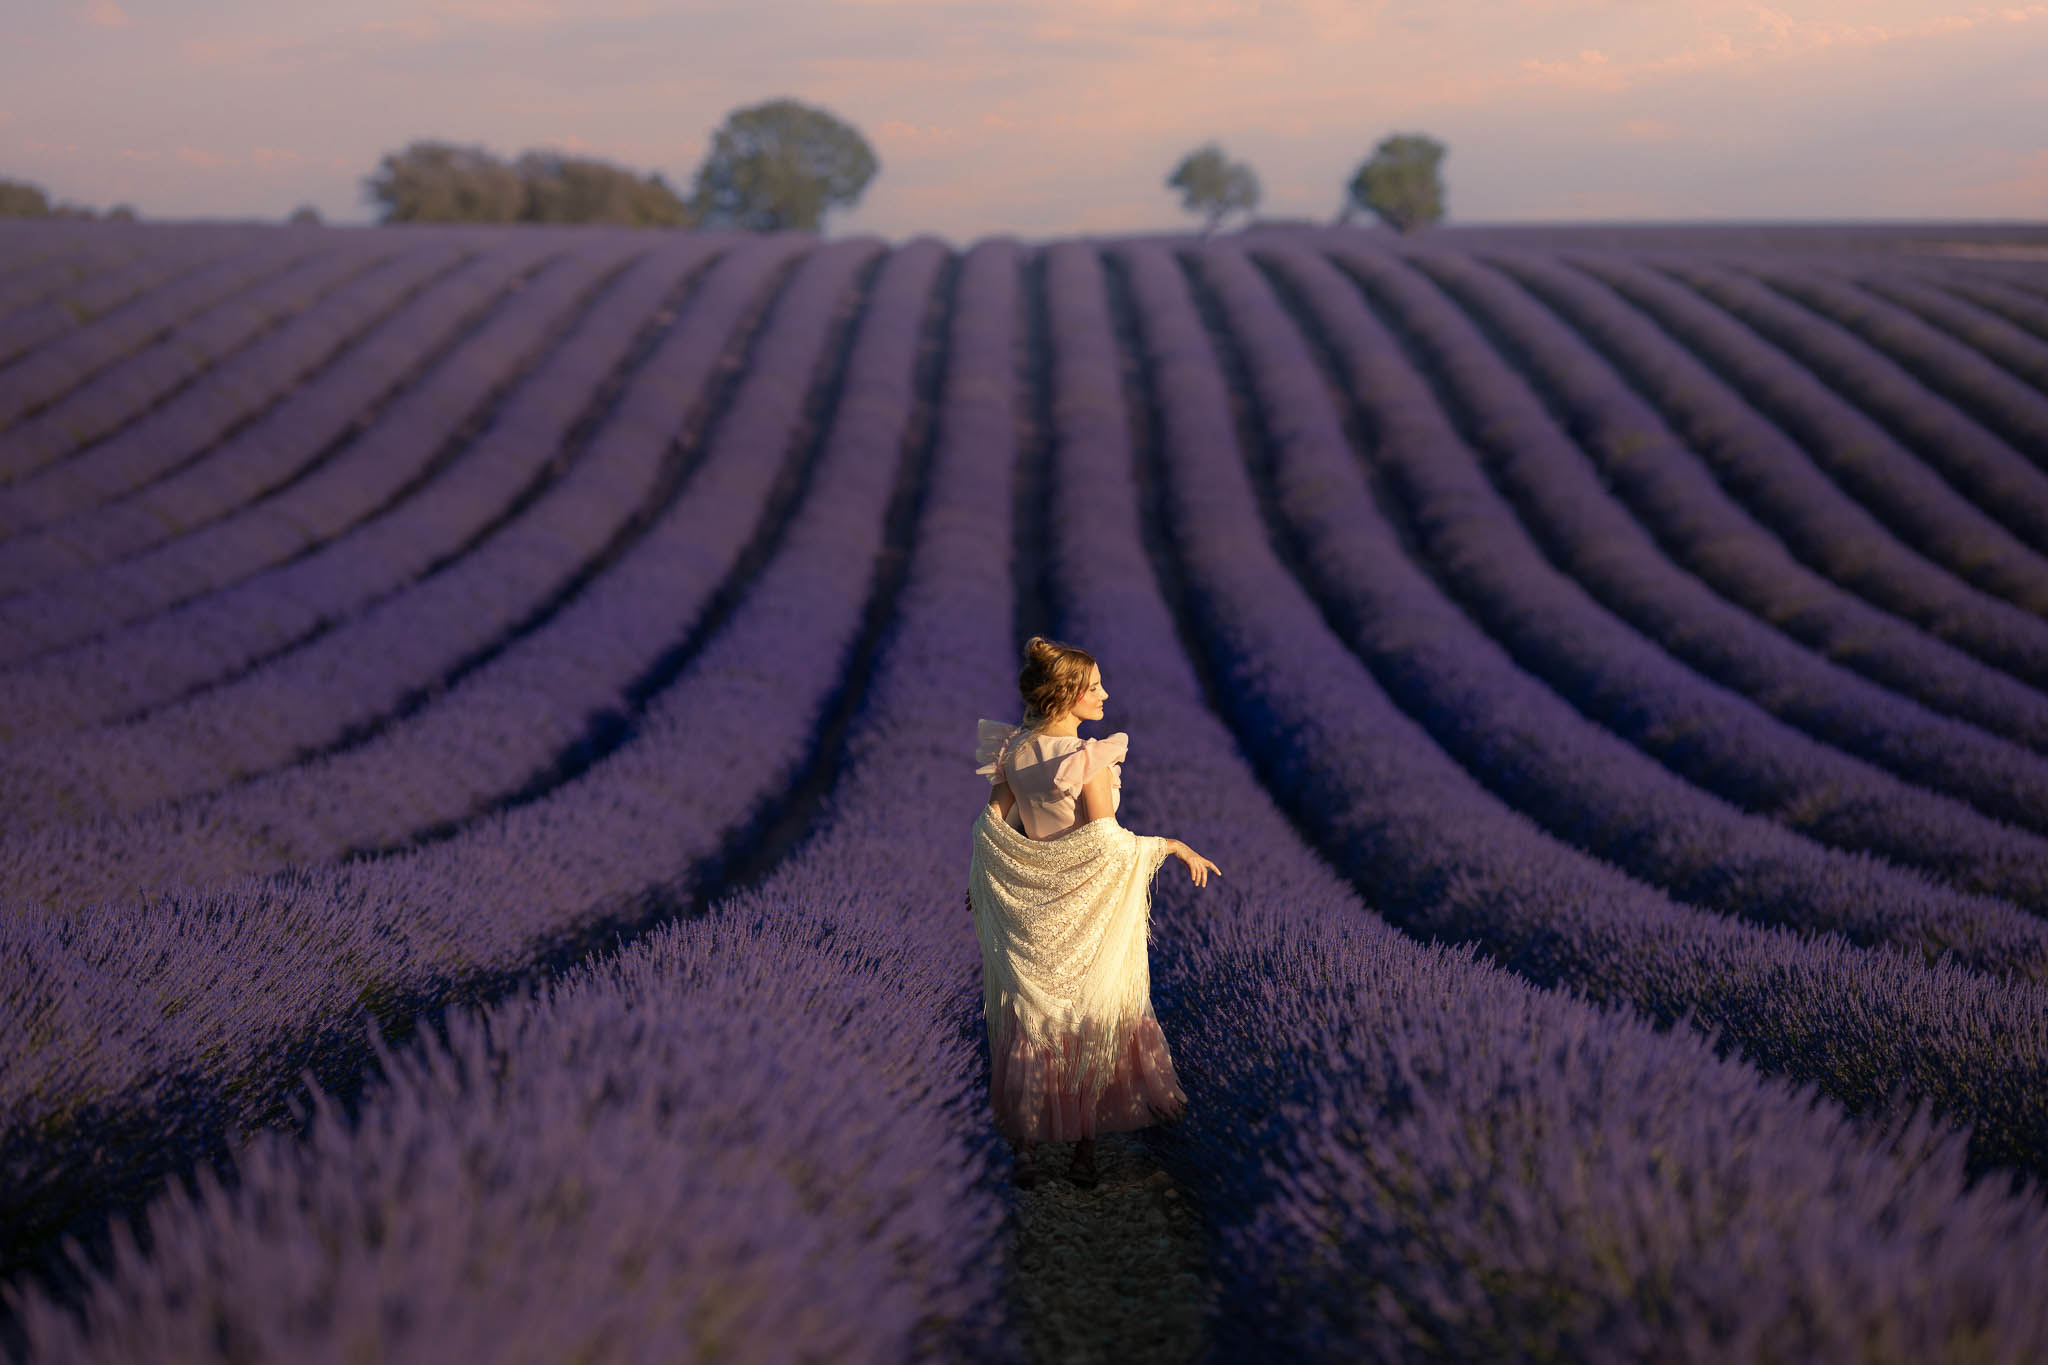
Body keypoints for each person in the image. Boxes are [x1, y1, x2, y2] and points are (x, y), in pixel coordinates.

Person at [967, 635, 1221, 1190]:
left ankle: (1027, 1152)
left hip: (1030, 914)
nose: (1104, 695)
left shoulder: (1012, 751)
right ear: (1066, 694)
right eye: (1094, 687)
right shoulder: (1090, 758)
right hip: (1082, 913)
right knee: (1088, 1020)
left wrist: (988, 887)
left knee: (1032, 1025)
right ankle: (1084, 1155)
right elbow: (1104, 844)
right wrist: (1169, 847)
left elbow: (990, 832)